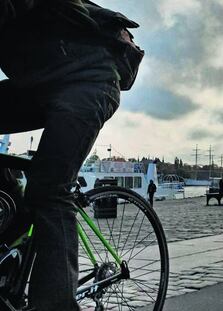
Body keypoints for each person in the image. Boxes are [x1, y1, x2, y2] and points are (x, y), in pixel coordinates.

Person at [0, 1, 140, 310]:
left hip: (88, 81)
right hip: (39, 82)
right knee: (30, 197)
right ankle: (10, 219)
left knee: (49, 190)